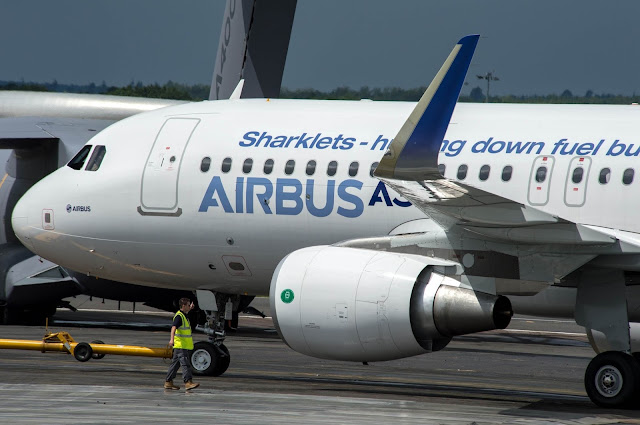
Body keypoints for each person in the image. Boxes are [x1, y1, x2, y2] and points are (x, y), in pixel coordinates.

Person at [164, 297, 199, 390]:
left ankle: (168, 382)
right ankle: (188, 382)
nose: (189, 306)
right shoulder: (179, 316)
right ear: (183, 306)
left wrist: (190, 308)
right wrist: (171, 340)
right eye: (188, 305)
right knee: (185, 364)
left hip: (181, 345)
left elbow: (186, 312)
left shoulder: (183, 314)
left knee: (175, 365)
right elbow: (173, 328)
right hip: (180, 345)